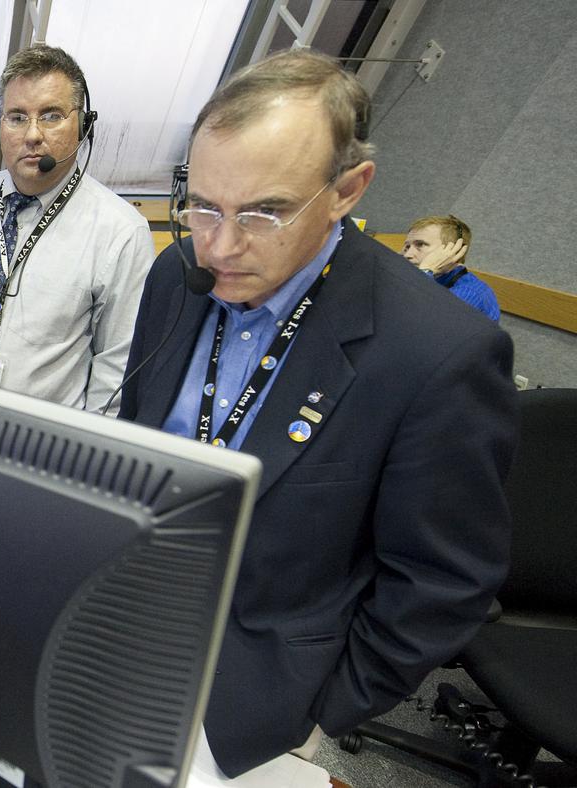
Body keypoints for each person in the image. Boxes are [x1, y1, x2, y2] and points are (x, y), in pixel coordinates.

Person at [118, 50, 517, 778]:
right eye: (203, 205)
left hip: (252, 694)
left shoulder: (438, 352)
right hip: (124, 620)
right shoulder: (176, 277)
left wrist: (320, 709)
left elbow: (444, 584)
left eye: (264, 211)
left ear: (347, 190)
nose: (221, 244)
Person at [0, 45, 152, 412]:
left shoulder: (121, 233)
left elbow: (115, 373)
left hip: (30, 448)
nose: (32, 134)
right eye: (17, 117)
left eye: (51, 116)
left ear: (83, 124)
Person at [402, 214, 500, 321]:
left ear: (453, 251)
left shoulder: (470, 293)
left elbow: (415, 321)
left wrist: (426, 270)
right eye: (407, 247)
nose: (408, 254)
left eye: (420, 244)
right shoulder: (429, 278)